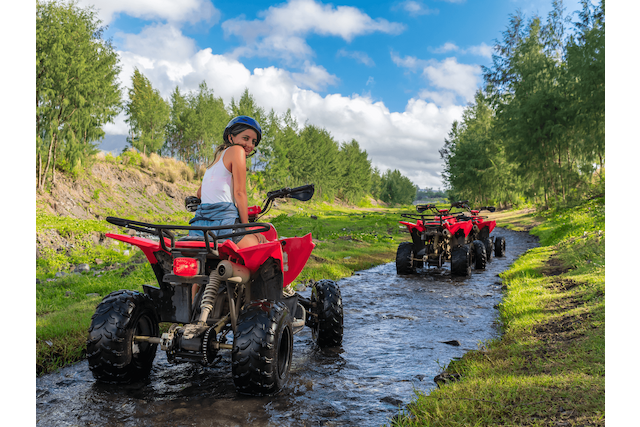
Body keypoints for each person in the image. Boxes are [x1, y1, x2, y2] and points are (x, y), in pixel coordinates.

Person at [188, 115, 268, 249]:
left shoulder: (214, 162)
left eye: (254, 141)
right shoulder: (237, 151)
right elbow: (240, 193)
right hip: (225, 224)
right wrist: (247, 228)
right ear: (231, 137)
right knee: (263, 250)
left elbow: (199, 193)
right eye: (245, 138)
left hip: (200, 226)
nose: (250, 145)